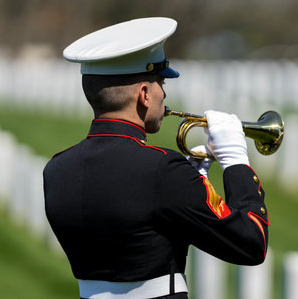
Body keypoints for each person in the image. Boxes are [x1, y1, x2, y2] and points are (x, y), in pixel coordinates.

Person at [43, 17, 269, 299]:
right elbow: (250, 243)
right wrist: (235, 162)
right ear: (145, 94)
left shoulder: (55, 169)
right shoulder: (163, 170)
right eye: (162, 83)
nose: (165, 94)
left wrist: (193, 184)